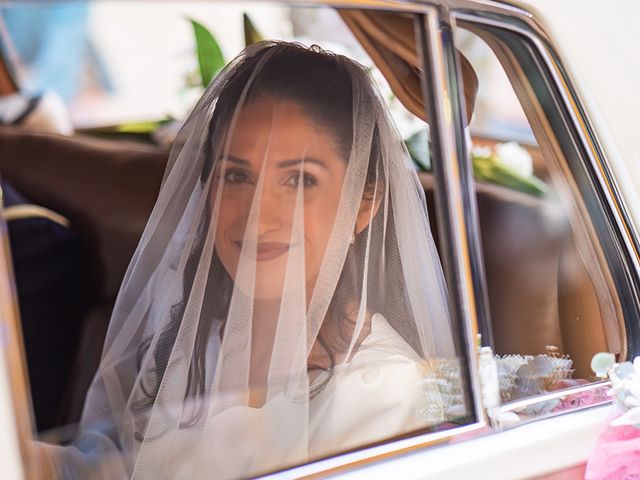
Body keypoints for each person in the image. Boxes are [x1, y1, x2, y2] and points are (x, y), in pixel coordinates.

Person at [37, 40, 456, 479]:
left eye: (299, 180)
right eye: (236, 175)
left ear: (363, 204)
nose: (258, 216)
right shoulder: (194, 338)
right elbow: (117, 470)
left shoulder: (386, 392)